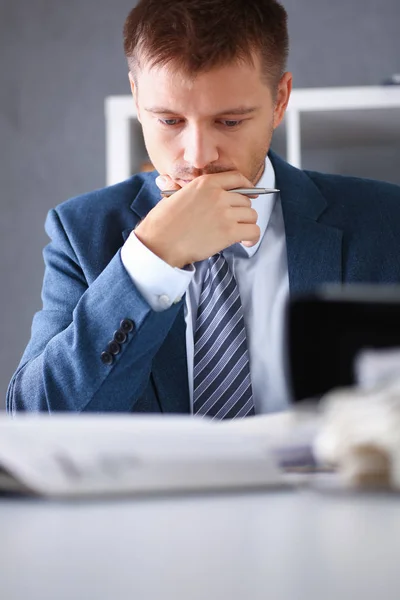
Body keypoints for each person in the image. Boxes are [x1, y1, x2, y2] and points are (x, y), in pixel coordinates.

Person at [7, 0, 400, 415]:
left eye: (229, 122)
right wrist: (150, 260)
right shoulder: (81, 233)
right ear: (137, 99)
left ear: (280, 100)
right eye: (169, 121)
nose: (197, 156)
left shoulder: (388, 222)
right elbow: (35, 418)